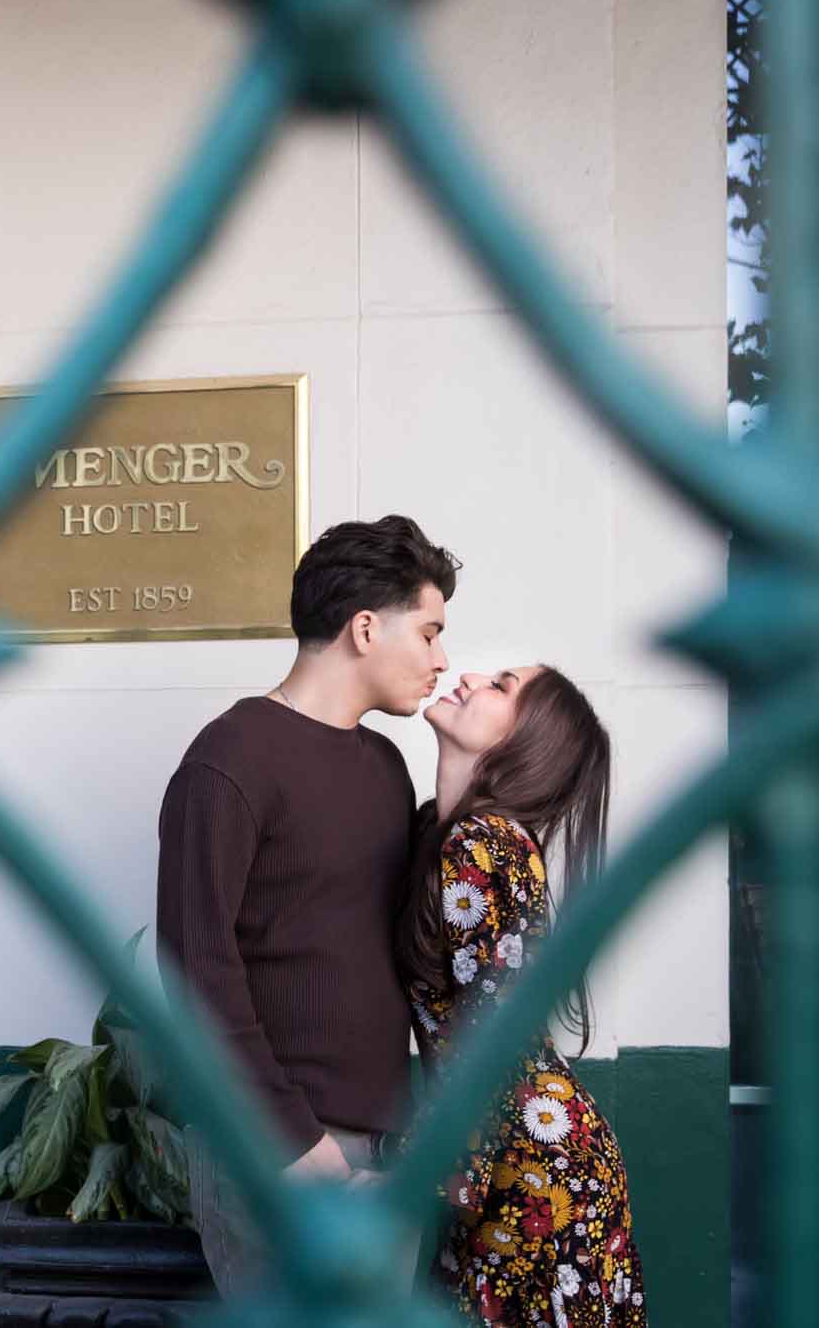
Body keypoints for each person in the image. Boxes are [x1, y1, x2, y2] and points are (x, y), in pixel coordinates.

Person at [155, 514, 459, 1296]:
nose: (441, 657)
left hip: (386, 1155)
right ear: (365, 627)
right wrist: (299, 1149)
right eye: (428, 632)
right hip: (276, 1153)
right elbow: (195, 970)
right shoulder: (229, 761)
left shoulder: (387, 765)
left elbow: (404, 942)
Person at [402, 665, 646, 1325]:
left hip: (529, 1166)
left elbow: (492, 1038)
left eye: (502, 684)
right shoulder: (455, 835)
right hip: (519, 1157)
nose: (470, 675)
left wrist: (413, 1177)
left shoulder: (481, 842)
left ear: (524, 741)